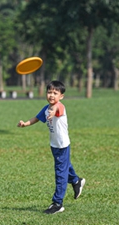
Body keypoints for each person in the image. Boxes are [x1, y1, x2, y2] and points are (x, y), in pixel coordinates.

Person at [17, 80, 85, 214]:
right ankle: (76, 181)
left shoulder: (60, 106)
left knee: (60, 172)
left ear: (61, 96)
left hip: (62, 145)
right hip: (54, 145)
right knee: (64, 166)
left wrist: (53, 112)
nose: (52, 95)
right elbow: (36, 118)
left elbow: (56, 108)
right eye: (49, 92)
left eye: (55, 93)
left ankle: (57, 203)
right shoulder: (46, 108)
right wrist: (25, 123)